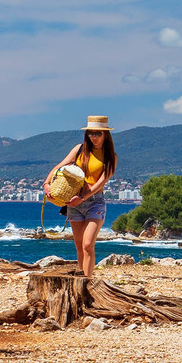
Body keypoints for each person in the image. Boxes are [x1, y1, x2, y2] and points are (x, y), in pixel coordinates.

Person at [57, 116, 116, 278]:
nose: (93, 137)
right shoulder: (79, 149)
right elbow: (60, 166)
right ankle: (82, 278)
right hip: (74, 202)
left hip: (94, 202)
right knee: (78, 245)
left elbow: (101, 182)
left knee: (88, 244)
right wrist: (47, 183)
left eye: (97, 133)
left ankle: (87, 282)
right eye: (90, 133)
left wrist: (83, 198)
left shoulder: (111, 156)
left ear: (105, 134)